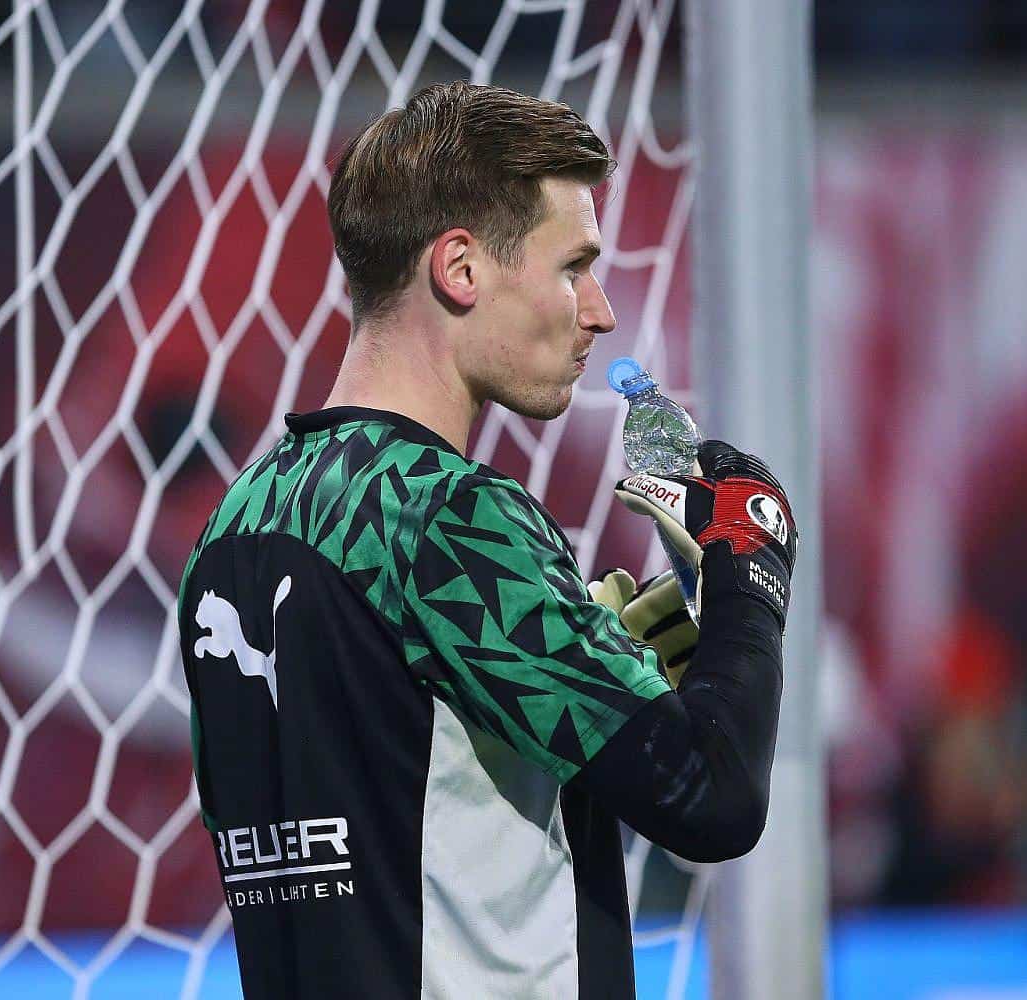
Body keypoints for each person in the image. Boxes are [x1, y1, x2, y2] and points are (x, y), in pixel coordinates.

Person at [175, 81, 798, 999]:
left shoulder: (236, 522)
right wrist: (751, 578)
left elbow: (385, 800)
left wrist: (594, 663)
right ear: (460, 268)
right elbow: (713, 796)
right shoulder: (445, 519)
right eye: (572, 267)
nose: (600, 311)